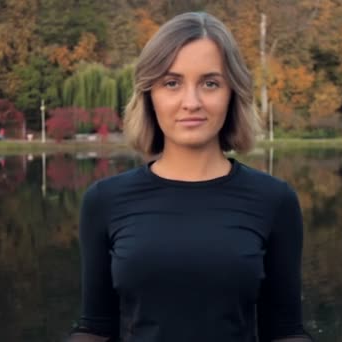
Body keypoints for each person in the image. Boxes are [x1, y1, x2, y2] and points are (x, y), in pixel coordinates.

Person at [68, 12, 313, 342]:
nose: (191, 102)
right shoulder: (104, 201)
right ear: (149, 94)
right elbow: (96, 328)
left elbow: (284, 333)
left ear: (232, 93)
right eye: (172, 83)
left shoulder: (274, 200)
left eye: (210, 83)